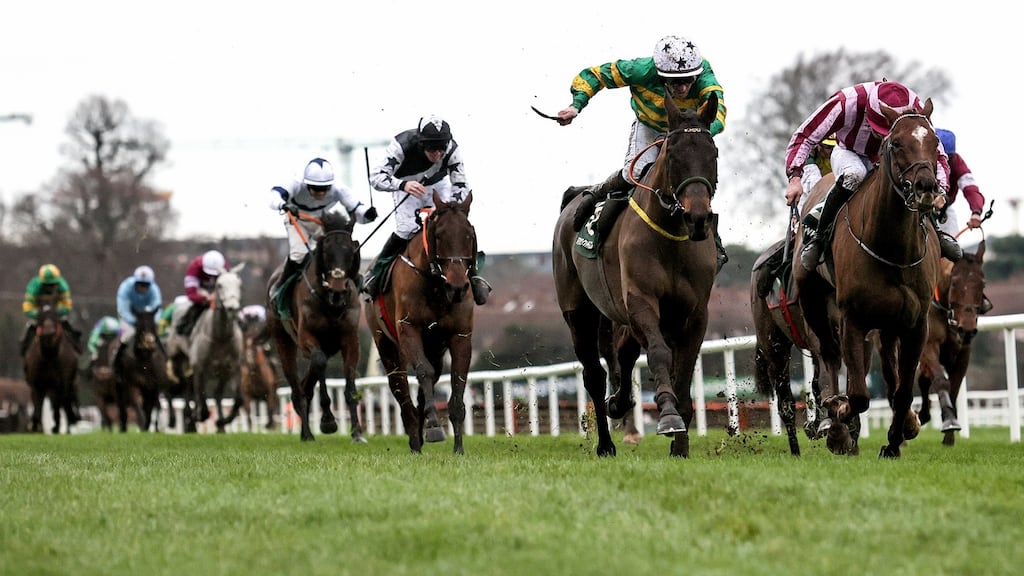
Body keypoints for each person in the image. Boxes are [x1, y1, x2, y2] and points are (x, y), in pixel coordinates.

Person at [555, 35, 730, 271]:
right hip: (648, 126)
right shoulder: (640, 69)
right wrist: (576, 104)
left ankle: (714, 241)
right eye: (675, 82)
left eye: (689, 80)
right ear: (660, 75)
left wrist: (692, 133)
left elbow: (718, 112)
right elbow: (597, 74)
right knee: (634, 172)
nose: (683, 87)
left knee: (697, 178)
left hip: (689, 130)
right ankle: (599, 193)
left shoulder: (705, 74)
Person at [784, 80, 960, 271]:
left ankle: (937, 233)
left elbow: (937, 151)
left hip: (887, 157)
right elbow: (804, 134)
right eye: (881, 131)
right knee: (855, 174)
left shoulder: (915, 108)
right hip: (848, 151)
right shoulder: (846, 102)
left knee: (910, 180)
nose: (881, 137)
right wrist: (794, 178)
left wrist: (940, 189)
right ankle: (818, 236)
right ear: (869, 112)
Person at [365, 115, 491, 304]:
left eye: (441, 148)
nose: (438, 154)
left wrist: (453, 209)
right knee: (407, 229)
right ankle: (376, 273)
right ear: (421, 143)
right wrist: (402, 185)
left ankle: (473, 276)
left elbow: (461, 184)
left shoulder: (452, 149)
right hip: (406, 185)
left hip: (438, 185)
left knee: (454, 227)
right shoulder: (401, 145)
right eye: (432, 148)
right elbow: (375, 177)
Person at [268, 157, 378, 300]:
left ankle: (356, 281)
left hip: (321, 222)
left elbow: (357, 208)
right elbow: (273, 196)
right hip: (297, 221)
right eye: (315, 188)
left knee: (338, 250)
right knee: (299, 255)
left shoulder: (338, 189)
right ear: (306, 184)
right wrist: (283, 205)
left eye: (324, 189)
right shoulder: (295, 183)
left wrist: (368, 214)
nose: (320, 193)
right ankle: (280, 286)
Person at [21, 263, 81, 355]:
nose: (50, 287)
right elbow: (27, 307)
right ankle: (23, 349)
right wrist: (38, 314)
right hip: (39, 314)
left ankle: (77, 347)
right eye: (47, 285)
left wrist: (56, 312)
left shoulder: (63, 286)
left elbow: (67, 305)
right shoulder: (34, 287)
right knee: (29, 330)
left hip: (56, 314)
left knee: (70, 328)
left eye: (53, 284)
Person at [935, 128, 986, 237]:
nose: (945, 162)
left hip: (944, 211)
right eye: (940, 157)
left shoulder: (957, 162)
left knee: (954, 251)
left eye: (948, 157)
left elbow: (970, 188)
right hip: (915, 210)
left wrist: (976, 212)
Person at [115, 265, 164, 360]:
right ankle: (116, 360)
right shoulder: (125, 287)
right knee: (127, 335)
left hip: (147, 319)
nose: (143, 287)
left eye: (146, 285)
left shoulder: (154, 289)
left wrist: (153, 321)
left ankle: (166, 360)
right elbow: (123, 309)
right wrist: (135, 321)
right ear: (135, 282)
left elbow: (157, 308)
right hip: (129, 318)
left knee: (159, 336)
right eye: (140, 284)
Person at [176, 250, 228, 337]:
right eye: (208, 273)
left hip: (218, 291)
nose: (211, 276)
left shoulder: (225, 266)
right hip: (201, 291)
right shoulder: (193, 267)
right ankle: (185, 326)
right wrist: (205, 299)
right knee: (196, 308)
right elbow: (191, 294)